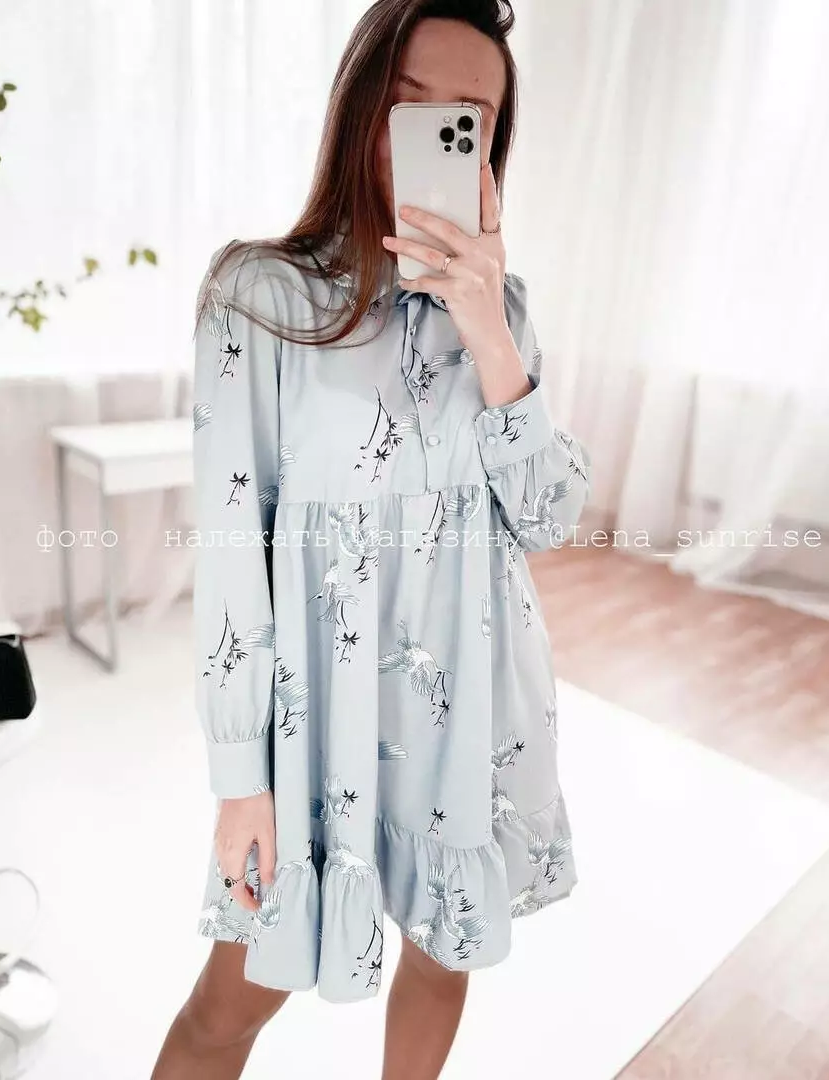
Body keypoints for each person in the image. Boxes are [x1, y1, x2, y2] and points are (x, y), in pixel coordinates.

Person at [151, 1, 590, 1077]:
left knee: (443, 958)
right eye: (408, 104)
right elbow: (232, 551)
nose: (435, 133)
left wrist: (488, 331)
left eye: (468, 117)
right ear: (360, 110)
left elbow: (549, 518)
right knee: (229, 1004)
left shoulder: (502, 312)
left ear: (491, 146)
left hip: (469, 710)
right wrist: (239, 779)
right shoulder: (257, 296)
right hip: (317, 722)